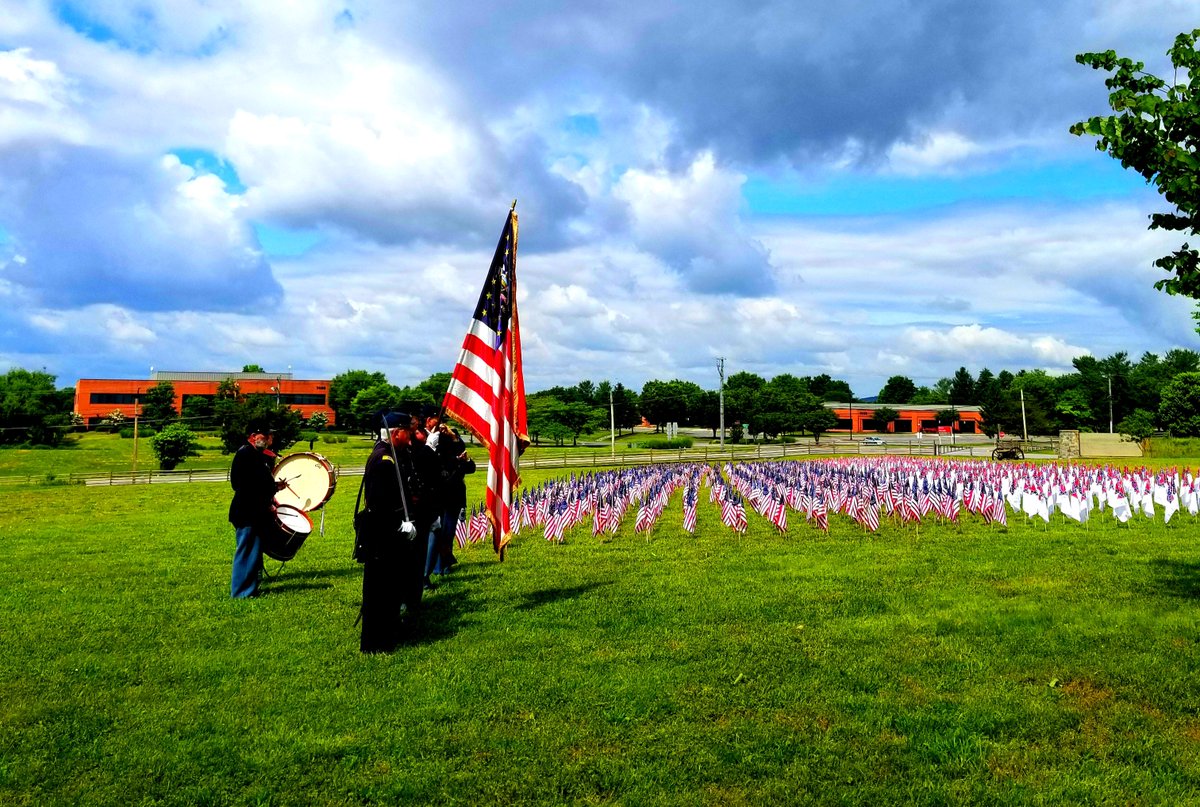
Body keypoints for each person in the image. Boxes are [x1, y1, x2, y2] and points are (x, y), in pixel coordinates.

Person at [358, 411, 441, 652]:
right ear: (396, 433)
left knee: (391, 590)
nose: (410, 435)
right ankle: (377, 642)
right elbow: (379, 503)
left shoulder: (393, 456)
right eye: (406, 431)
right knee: (380, 592)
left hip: (389, 535)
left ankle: (388, 634)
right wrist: (399, 525)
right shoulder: (384, 460)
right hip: (382, 536)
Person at [228, 424, 285, 598]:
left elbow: (259, 483)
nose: (270, 440)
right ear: (254, 436)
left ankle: (251, 588)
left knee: (253, 552)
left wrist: (274, 487)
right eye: (267, 436)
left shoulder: (257, 456)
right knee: (246, 551)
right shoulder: (245, 454)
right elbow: (242, 485)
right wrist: (266, 503)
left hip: (255, 512)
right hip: (247, 512)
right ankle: (241, 593)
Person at [428, 423, 475, 579]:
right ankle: (435, 567)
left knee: (448, 533)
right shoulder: (439, 457)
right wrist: (458, 462)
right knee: (439, 534)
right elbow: (447, 474)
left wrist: (463, 459)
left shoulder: (457, 456)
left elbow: (471, 468)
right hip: (442, 498)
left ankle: (444, 564)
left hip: (455, 498)